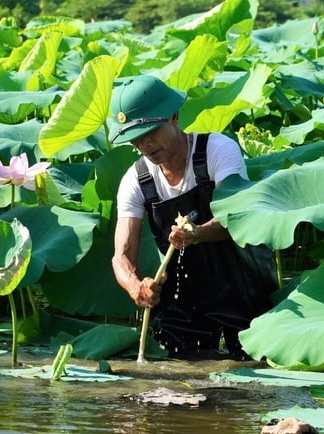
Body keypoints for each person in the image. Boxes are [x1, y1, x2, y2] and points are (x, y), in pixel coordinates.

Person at [109, 75, 278, 358]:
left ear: (174, 116)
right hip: (185, 301)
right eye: (136, 139)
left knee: (254, 378)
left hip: (245, 289)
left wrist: (199, 234)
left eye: (152, 132)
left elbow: (233, 217)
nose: (145, 144)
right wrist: (135, 286)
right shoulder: (135, 181)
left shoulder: (218, 151)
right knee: (177, 375)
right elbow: (121, 256)